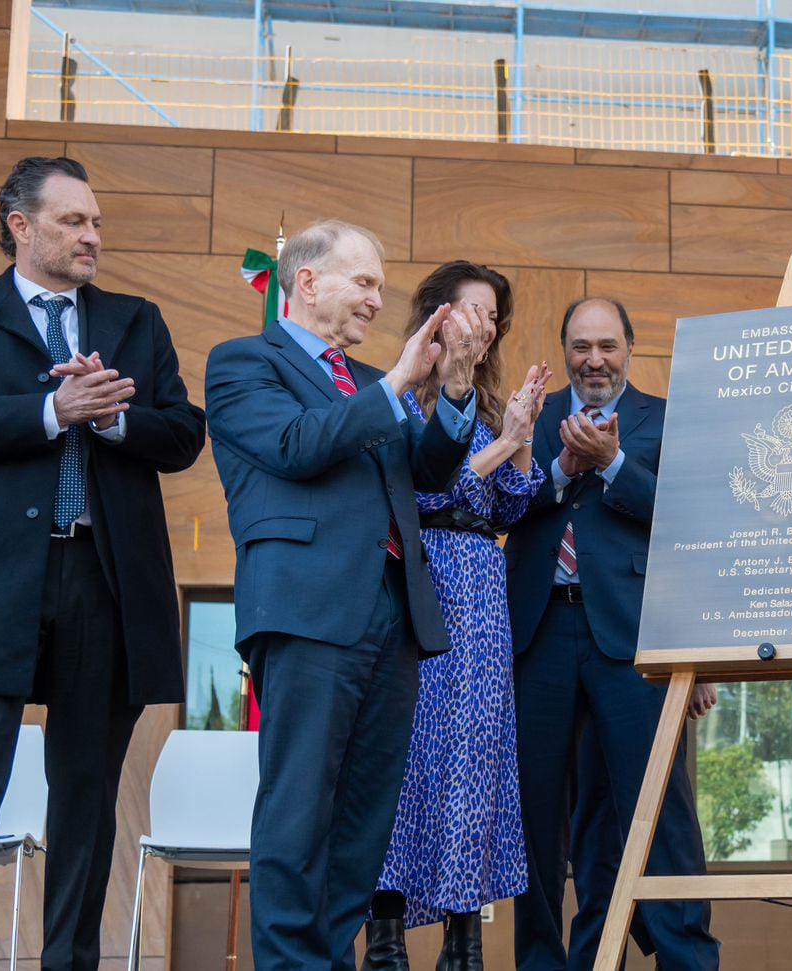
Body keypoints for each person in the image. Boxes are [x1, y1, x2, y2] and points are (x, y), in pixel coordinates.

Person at [0, 156, 206, 970]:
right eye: (75, 221)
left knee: (86, 790)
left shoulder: (135, 318)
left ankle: (69, 960)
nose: (92, 236)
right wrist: (49, 410)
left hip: (103, 582)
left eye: (97, 222)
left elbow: (183, 433)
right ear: (21, 226)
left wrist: (110, 419)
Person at [203, 220, 484, 969]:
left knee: (363, 823)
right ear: (307, 282)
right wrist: (399, 381)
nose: (375, 299)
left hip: (391, 618)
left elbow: (424, 476)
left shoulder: (367, 386)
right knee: (298, 815)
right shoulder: (240, 363)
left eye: (380, 288)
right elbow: (296, 446)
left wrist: (453, 391)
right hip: (305, 609)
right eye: (363, 282)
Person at [504, 297, 720, 971]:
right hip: (539, 632)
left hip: (634, 637)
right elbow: (505, 504)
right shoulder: (529, 417)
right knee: (539, 819)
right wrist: (563, 468)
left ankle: (686, 957)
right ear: (564, 349)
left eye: (606, 344)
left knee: (658, 808)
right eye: (579, 345)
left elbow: (689, 518)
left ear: (630, 346)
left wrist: (615, 463)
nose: (593, 358)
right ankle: (552, 960)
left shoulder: (664, 417)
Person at [362, 261, 551, 971]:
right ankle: (383, 937)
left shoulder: (491, 399)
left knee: (475, 756)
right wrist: (502, 442)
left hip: (480, 586)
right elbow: (425, 493)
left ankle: (463, 940)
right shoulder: (406, 394)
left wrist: (523, 429)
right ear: (437, 314)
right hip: (423, 575)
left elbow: (509, 503)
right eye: (472, 309)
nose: (485, 324)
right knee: (409, 754)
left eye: (493, 314)